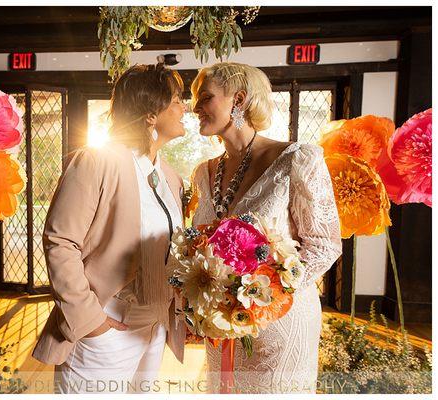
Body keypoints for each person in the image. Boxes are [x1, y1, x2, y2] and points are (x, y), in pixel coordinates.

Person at [32, 63, 188, 393]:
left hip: (153, 325)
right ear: (150, 112)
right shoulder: (97, 160)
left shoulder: (170, 176)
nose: (184, 107)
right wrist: (92, 323)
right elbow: (60, 241)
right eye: (176, 99)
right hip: (106, 324)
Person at [189, 62, 342, 393]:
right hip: (222, 325)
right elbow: (197, 246)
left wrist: (262, 295)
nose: (195, 108)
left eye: (205, 98)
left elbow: (324, 245)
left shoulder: (296, 159)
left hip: (280, 322)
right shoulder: (204, 172)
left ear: (239, 100)